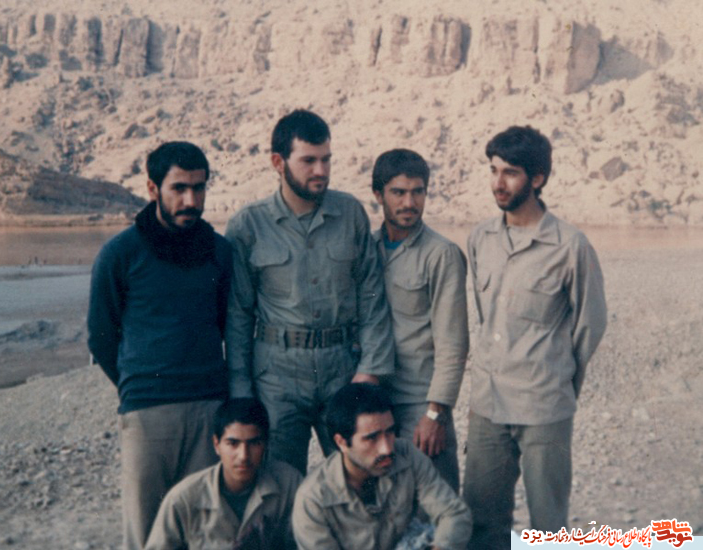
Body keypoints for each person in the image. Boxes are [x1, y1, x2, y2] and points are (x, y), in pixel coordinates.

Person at [225, 109, 394, 474]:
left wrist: (369, 372)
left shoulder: (350, 214)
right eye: (309, 161)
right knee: (278, 481)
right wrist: (241, 389)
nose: (321, 170)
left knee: (360, 477)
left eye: (326, 159)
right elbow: (238, 314)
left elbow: (372, 298)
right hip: (277, 377)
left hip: (343, 370)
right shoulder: (249, 225)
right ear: (278, 162)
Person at [464, 126, 607, 548]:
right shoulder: (481, 238)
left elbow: (589, 326)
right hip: (488, 406)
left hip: (544, 407)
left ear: (538, 178)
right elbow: (486, 317)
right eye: (493, 171)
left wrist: (557, 381)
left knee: (548, 528)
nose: (498, 183)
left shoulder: (570, 246)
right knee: (482, 523)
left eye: (510, 173)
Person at [87, 141, 233, 550]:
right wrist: (136, 385)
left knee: (204, 528)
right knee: (146, 531)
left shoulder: (220, 252)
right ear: (152, 189)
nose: (191, 200)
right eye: (179, 188)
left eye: (199, 188)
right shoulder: (120, 254)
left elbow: (230, 328)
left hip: (209, 408)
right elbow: (101, 335)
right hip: (147, 412)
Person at [371, 148, 468, 492]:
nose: (409, 203)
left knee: (436, 504)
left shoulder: (441, 255)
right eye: (398, 192)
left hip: (420, 403)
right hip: (374, 399)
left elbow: (453, 343)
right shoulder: (366, 249)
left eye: (418, 192)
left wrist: (435, 413)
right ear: (378, 195)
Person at [292, 383, 472, 550]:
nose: (386, 448)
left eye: (390, 432)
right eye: (372, 438)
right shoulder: (313, 500)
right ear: (341, 442)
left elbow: (454, 514)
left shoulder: (406, 454)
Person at [145, 398, 302, 550]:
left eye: (254, 443)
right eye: (233, 444)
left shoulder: (289, 484)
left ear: (265, 444)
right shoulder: (184, 498)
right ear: (216, 444)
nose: (243, 456)